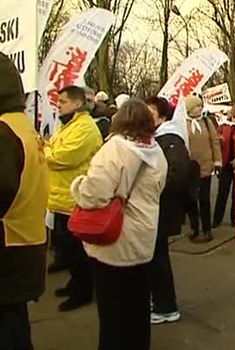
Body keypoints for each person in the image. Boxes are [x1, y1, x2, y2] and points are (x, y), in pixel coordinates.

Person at [70, 98, 168, 350]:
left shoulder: (114, 149)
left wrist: (78, 185)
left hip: (115, 243)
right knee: (138, 310)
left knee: (113, 315)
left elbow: (93, 195)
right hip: (144, 240)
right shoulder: (156, 151)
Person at [0, 52, 49, 350]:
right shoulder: (22, 126)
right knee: (15, 322)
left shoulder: (3, 132)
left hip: (7, 247)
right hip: (27, 242)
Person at [45, 85, 102, 312]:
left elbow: (61, 156)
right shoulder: (67, 127)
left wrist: (45, 151)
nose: (58, 105)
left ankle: (83, 291)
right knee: (67, 251)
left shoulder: (85, 128)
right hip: (60, 198)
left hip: (74, 199)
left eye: (63, 101)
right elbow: (51, 146)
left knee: (78, 252)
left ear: (77, 103)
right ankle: (75, 283)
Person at [146, 97, 189, 324]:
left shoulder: (170, 139)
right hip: (157, 206)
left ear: (162, 116)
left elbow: (177, 174)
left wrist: (154, 189)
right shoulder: (160, 137)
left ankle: (166, 306)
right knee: (155, 256)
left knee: (158, 258)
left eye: (150, 112)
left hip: (163, 207)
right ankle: (161, 301)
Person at [184, 95, 222, 242]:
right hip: (190, 168)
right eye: (196, 106)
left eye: (200, 106)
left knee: (204, 199)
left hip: (206, 165)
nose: (199, 108)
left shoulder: (206, 122)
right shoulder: (183, 124)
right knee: (191, 200)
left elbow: (215, 142)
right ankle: (194, 228)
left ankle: (207, 229)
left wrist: (217, 161)